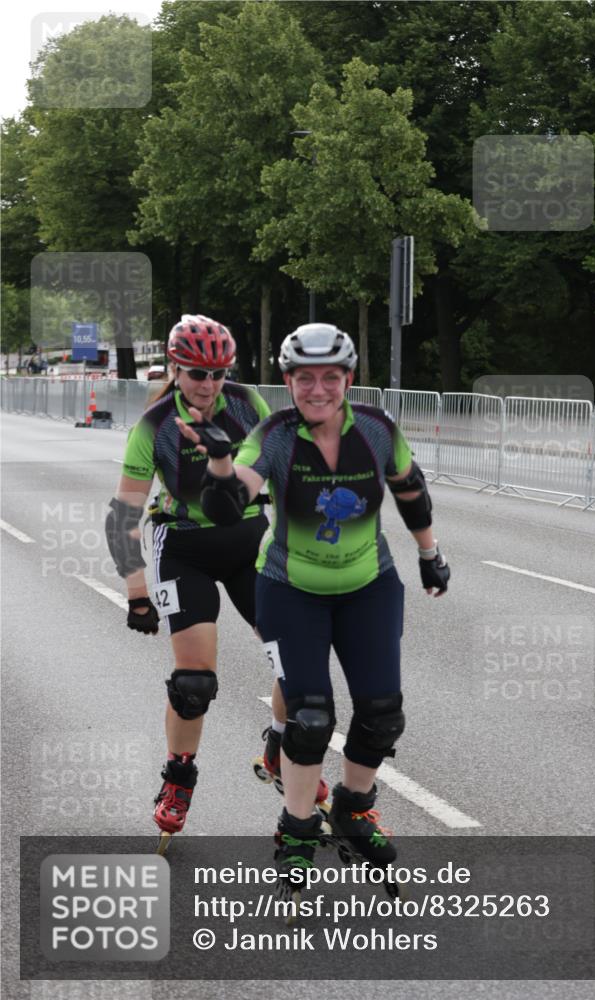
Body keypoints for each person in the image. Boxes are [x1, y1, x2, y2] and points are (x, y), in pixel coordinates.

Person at [177, 322, 451, 896]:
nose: (319, 389)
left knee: (382, 714)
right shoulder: (274, 437)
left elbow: (410, 486)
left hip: (369, 587)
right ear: (289, 381)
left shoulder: (377, 428)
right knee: (309, 718)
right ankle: (296, 830)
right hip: (290, 590)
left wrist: (430, 554)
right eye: (306, 378)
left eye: (331, 376)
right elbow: (229, 506)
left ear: (348, 378)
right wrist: (223, 468)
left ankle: (354, 807)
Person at [106, 314, 280, 851]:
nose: (208, 385)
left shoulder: (249, 406)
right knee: (194, 684)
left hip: (250, 543)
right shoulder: (153, 426)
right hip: (185, 549)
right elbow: (125, 514)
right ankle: (179, 778)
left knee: (297, 663)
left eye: (218, 373)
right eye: (197, 373)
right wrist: (136, 592)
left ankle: (281, 746)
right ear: (176, 368)